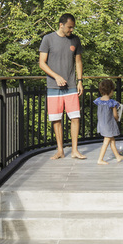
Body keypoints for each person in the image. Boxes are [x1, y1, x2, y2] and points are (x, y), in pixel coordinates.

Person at [39, 13, 86, 160]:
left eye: (73, 27)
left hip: (71, 85)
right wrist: (56, 76)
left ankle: (75, 151)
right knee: (56, 119)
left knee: (75, 118)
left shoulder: (75, 40)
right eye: (69, 27)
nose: (71, 30)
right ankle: (60, 150)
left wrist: (79, 81)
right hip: (53, 86)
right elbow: (41, 63)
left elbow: (78, 62)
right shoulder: (48, 39)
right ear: (61, 25)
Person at [94, 79, 123, 165]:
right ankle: (100, 159)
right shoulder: (112, 103)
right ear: (111, 90)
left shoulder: (98, 100)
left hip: (101, 124)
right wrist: (117, 119)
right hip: (109, 125)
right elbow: (115, 115)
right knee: (106, 141)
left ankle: (118, 156)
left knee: (112, 140)